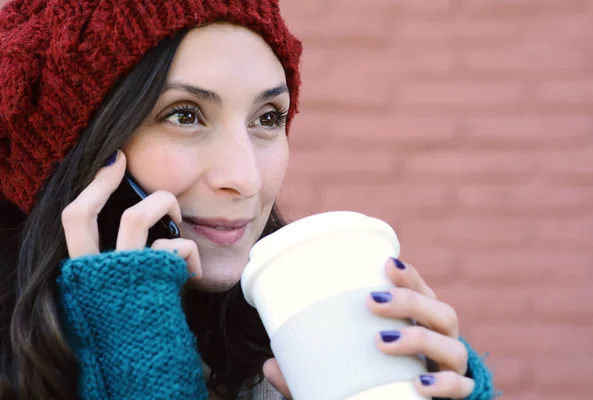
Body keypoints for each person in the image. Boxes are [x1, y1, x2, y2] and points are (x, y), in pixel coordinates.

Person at [0, 0, 496, 399]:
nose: (246, 178)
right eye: (185, 115)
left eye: (267, 118)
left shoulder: (289, 354)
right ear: (74, 154)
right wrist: (139, 359)